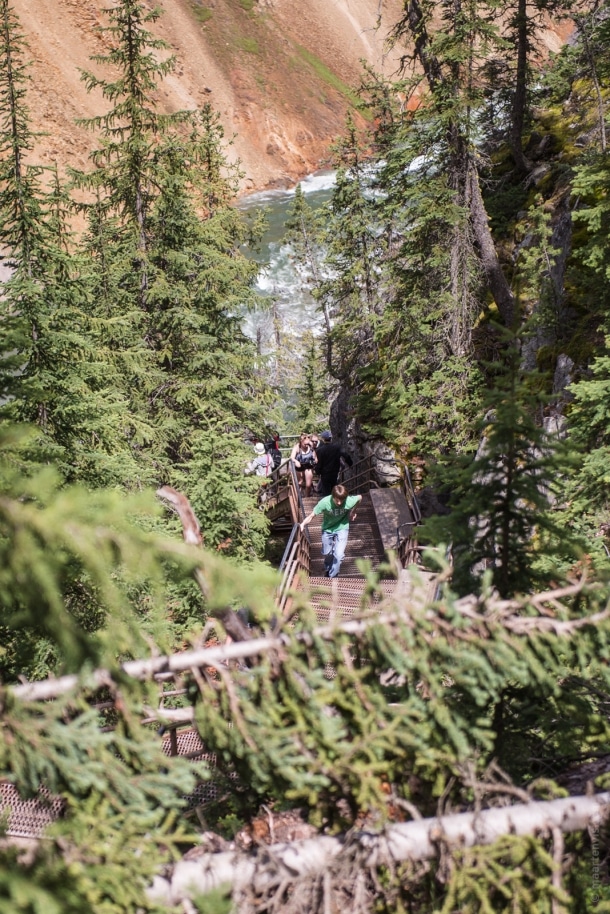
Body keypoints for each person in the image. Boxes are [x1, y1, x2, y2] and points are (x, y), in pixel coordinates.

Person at [300, 484, 362, 578]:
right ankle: (328, 568)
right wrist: (303, 524)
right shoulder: (325, 502)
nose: (340, 503)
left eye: (342, 500)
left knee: (339, 555)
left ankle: (332, 577)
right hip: (327, 529)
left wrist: (354, 511)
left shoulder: (348, 501)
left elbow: (360, 498)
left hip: (342, 527)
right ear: (333, 496)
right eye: (337, 499)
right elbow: (312, 515)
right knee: (327, 553)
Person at [314, 430, 353, 497]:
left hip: (325, 474)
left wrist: (317, 471)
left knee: (326, 491)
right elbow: (345, 455)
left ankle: (327, 505)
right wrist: (350, 464)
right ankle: (335, 503)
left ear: (323, 439)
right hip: (335, 472)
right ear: (331, 438)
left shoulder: (320, 450)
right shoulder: (337, 447)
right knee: (334, 488)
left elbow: (319, 464)